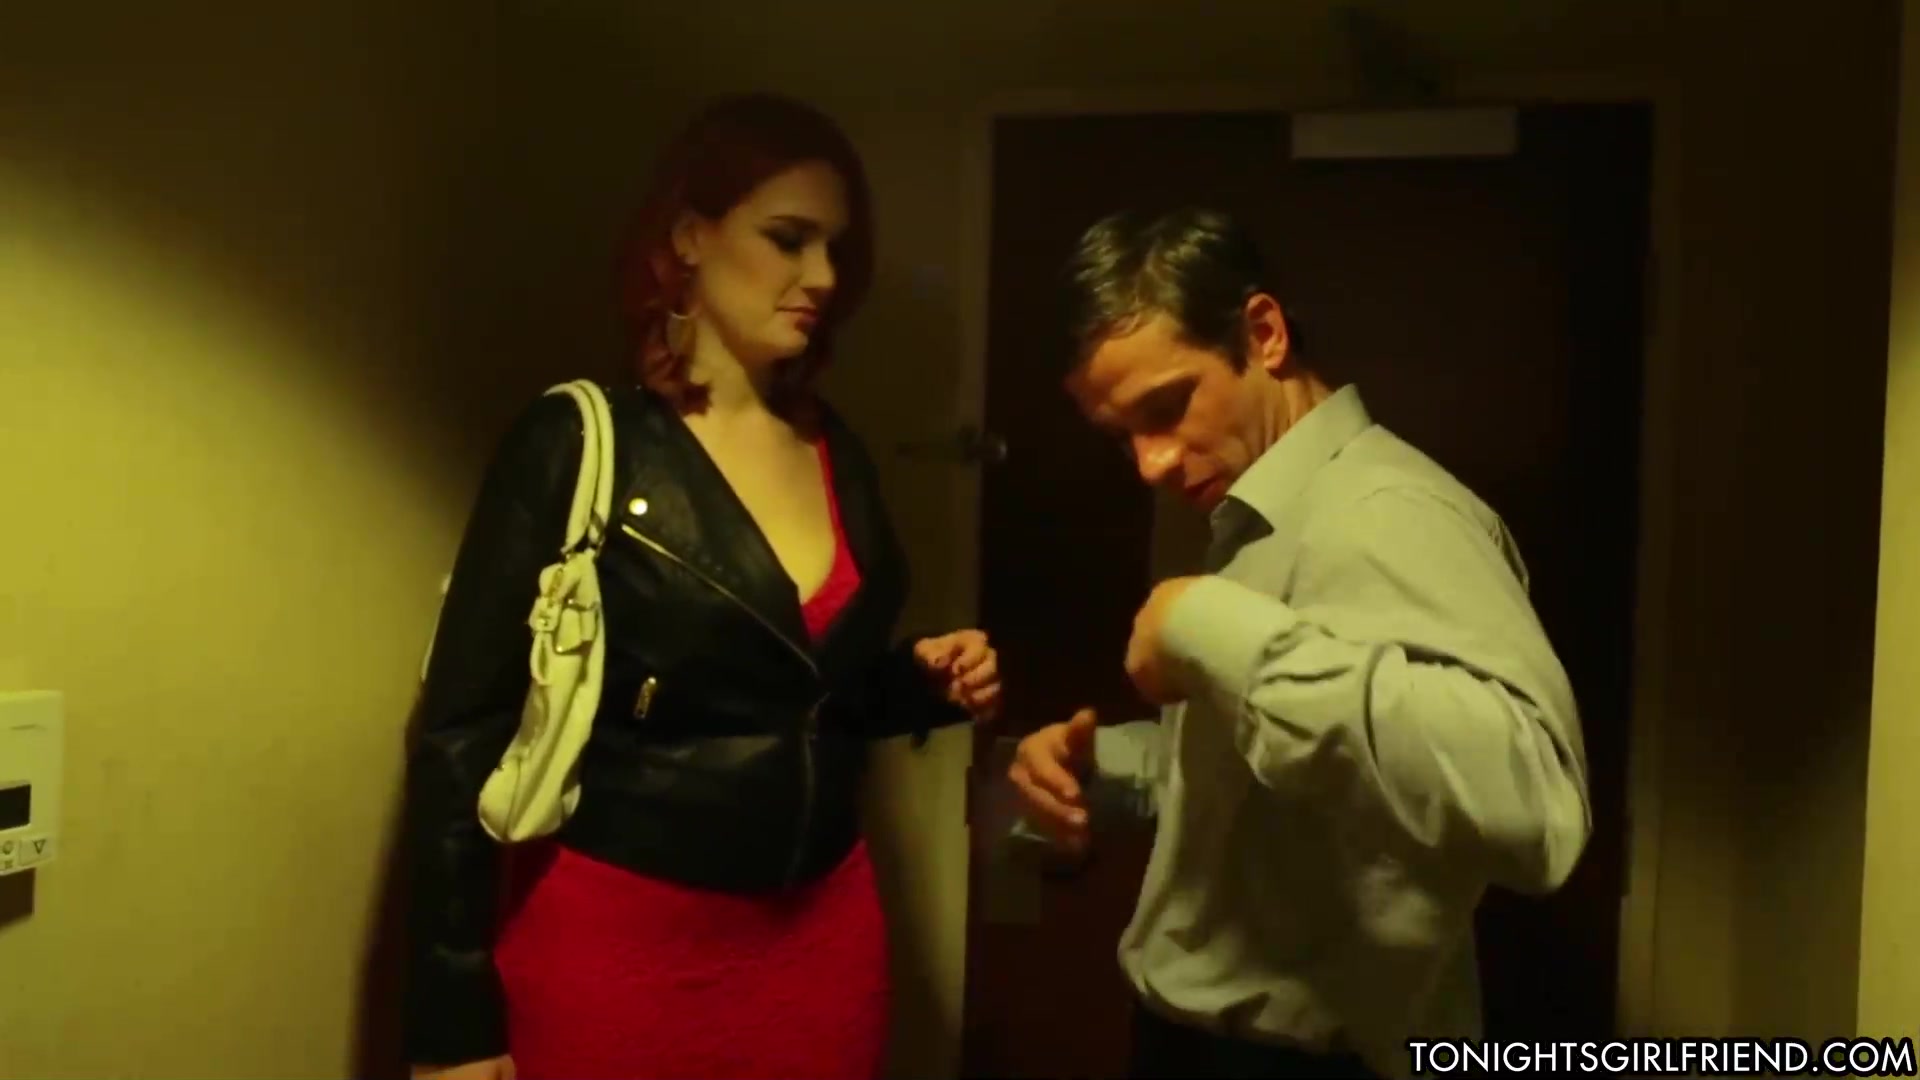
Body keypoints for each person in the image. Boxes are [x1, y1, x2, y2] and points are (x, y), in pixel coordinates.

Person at [403, 93, 1001, 1080]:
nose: (824, 276)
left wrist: (917, 684)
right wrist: (452, 1021)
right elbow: (462, 735)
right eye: (789, 238)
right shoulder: (577, 441)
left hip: (823, 945)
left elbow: (806, 695)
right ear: (689, 237)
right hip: (620, 950)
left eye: (836, 248)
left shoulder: (837, 450)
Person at [1006, 207, 1591, 1080]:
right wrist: (1106, 772)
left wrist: (1208, 628)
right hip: (1196, 1045)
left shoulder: (1387, 512)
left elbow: (1539, 809)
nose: (1150, 464)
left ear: (1264, 334)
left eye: (1167, 408)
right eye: (1122, 434)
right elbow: (1288, 774)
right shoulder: (1244, 507)